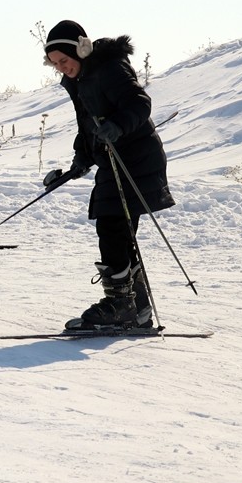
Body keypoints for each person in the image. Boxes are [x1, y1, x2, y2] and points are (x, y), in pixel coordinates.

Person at [43, 19, 174, 330]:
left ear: (81, 49)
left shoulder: (109, 68)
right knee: (117, 231)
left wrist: (117, 126)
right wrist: (81, 157)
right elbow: (88, 123)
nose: (62, 68)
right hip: (111, 160)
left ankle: (122, 305)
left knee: (112, 226)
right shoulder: (79, 78)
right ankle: (136, 308)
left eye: (64, 60)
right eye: (55, 64)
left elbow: (139, 104)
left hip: (136, 160)